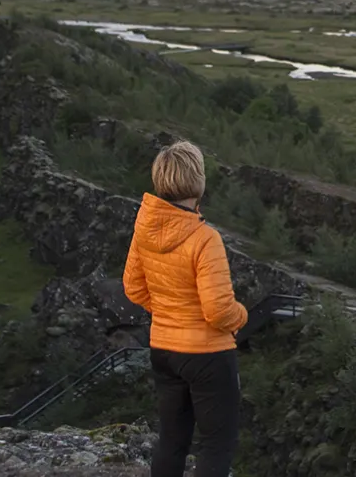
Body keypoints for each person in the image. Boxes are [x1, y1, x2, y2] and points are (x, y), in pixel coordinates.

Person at [122, 141, 248, 477]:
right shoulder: (205, 239)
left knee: (172, 440)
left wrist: (168, 312)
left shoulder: (144, 228)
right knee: (216, 445)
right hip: (208, 356)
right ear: (198, 180)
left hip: (164, 349)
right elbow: (219, 311)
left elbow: (133, 288)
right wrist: (242, 316)